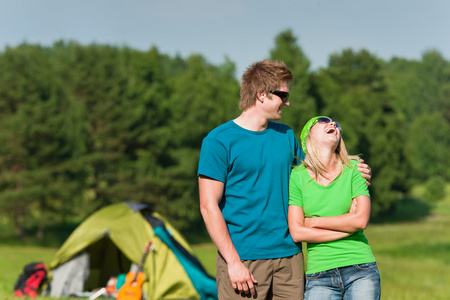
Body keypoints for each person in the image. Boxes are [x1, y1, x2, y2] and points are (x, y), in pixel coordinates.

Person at [197, 61, 372, 300]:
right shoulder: (219, 141)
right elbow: (208, 206)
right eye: (283, 95)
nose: (287, 102)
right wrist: (233, 262)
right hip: (244, 259)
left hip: (290, 259)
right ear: (261, 95)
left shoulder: (286, 135)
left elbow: (317, 172)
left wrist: (353, 168)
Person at [288, 116, 381, 300]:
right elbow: (298, 233)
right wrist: (347, 228)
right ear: (308, 136)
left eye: (335, 123)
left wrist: (314, 222)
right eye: (323, 121)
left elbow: (361, 220)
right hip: (319, 274)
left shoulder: (354, 168)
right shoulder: (297, 177)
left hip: (361, 267)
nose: (332, 124)